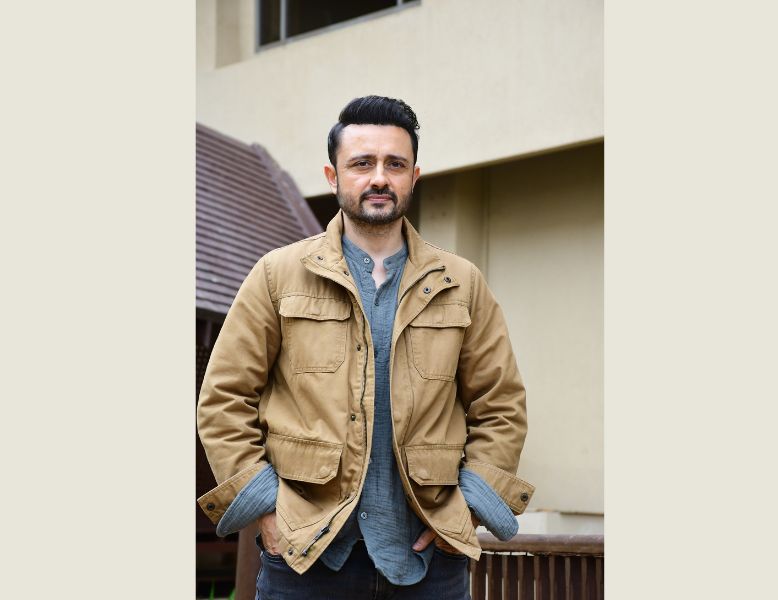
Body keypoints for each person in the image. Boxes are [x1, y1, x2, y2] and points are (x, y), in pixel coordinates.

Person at [197, 95, 535, 600]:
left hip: (428, 565)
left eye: (394, 164)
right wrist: (267, 509)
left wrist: (468, 507)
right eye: (362, 163)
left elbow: (501, 405)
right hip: (305, 559)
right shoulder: (277, 275)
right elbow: (224, 400)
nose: (379, 178)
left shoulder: (462, 283)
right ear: (333, 176)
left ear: (413, 177)